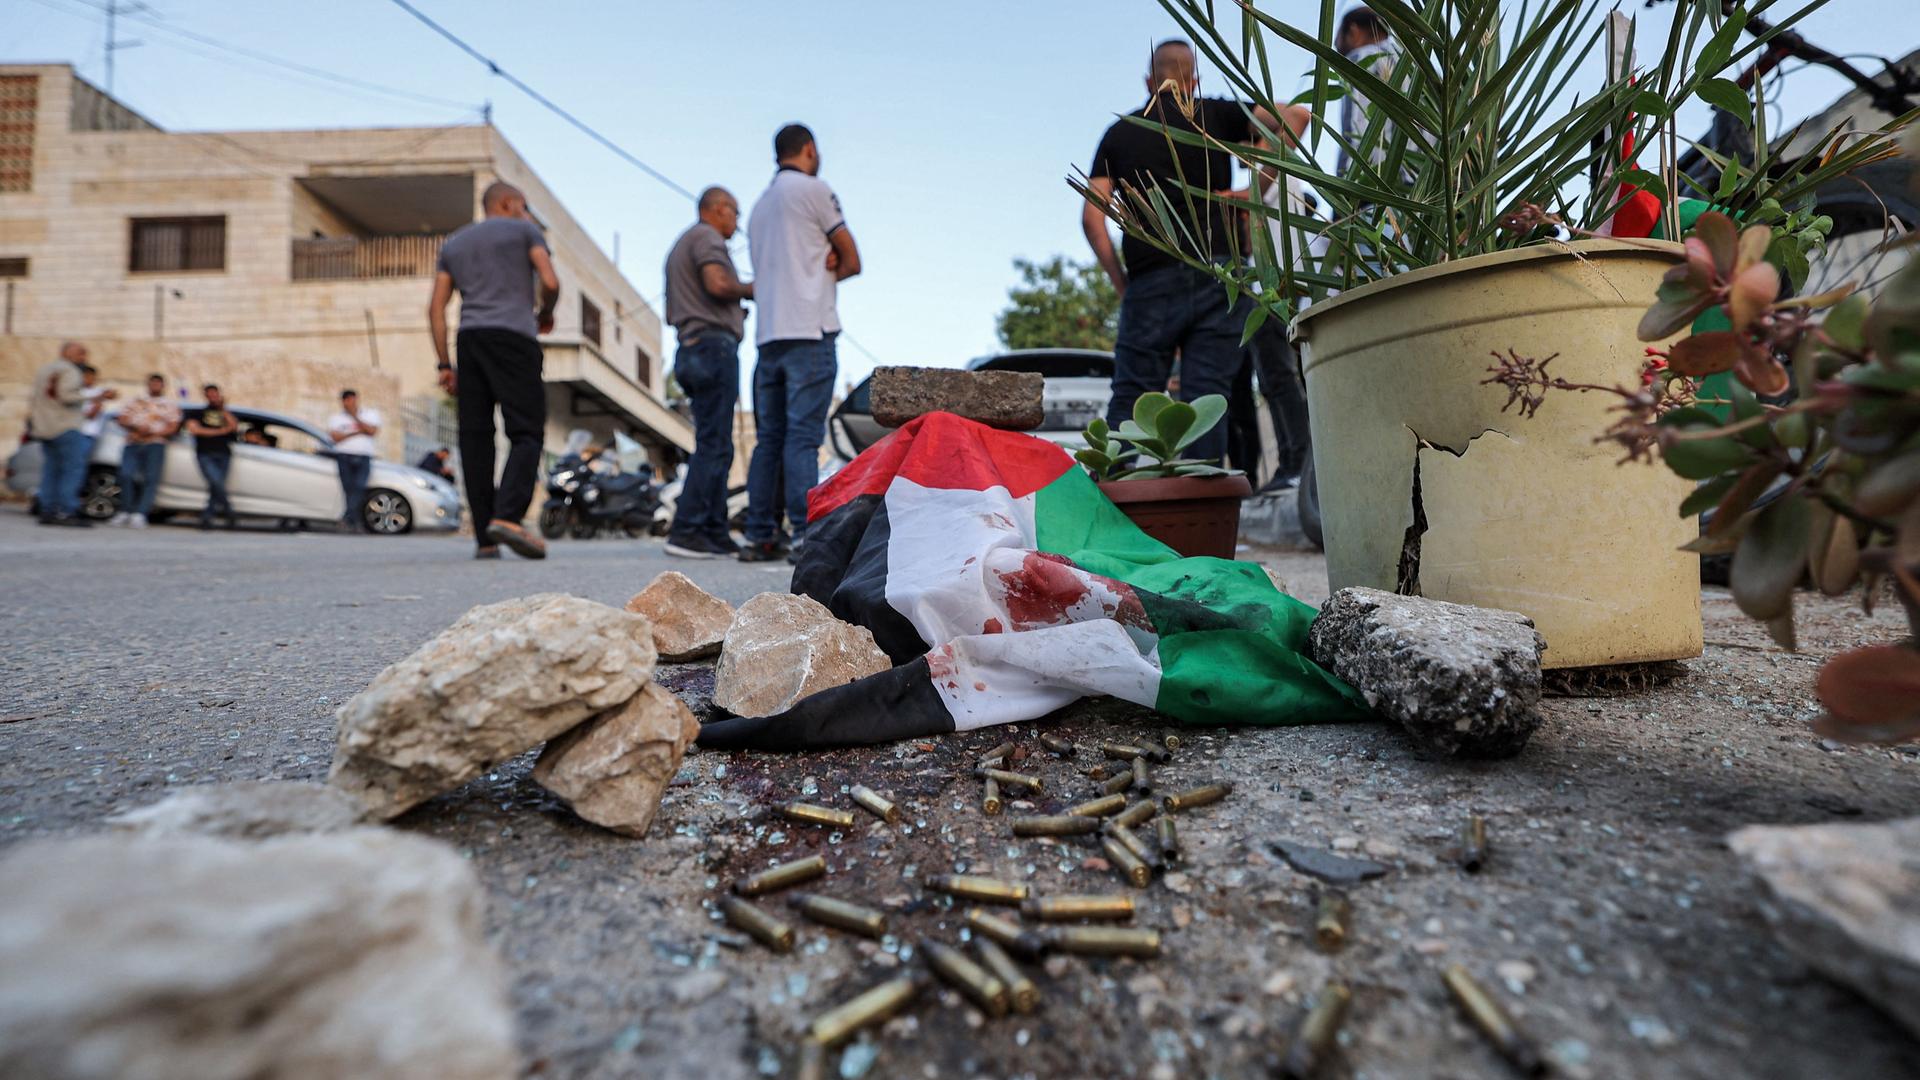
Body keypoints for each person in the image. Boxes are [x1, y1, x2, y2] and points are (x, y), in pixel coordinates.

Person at [1084, 40, 1267, 464]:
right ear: (1193, 79)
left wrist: (1121, 283)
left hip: (1151, 277)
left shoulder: (1120, 132)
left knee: (1132, 396)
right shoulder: (1220, 114)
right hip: (1220, 274)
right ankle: (1201, 518)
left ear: (1150, 80)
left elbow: (1093, 219)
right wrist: (1253, 189)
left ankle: (1114, 509)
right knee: (1206, 401)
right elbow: (1295, 118)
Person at [741, 124, 861, 563]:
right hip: (809, 331)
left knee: (768, 439)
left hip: (768, 338)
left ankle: (758, 534)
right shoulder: (814, 190)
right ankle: (801, 536)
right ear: (809, 149)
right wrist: (831, 264)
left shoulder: (758, 208)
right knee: (802, 440)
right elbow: (853, 258)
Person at [429, 180, 560, 561]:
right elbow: (549, 280)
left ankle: (485, 539)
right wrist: (546, 312)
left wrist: (444, 364)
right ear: (509, 202)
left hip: (470, 341)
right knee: (526, 431)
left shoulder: (454, 244)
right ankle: (507, 517)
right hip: (514, 338)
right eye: (523, 205)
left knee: (475, 437)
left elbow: (436, 308)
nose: (525, 211)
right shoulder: (525, 230)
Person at [662, 186, 752, 559]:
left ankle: (713, 532)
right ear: (717, 209)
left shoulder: (684, 243)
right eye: (735, 212)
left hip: (693, 346)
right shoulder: (706, 237)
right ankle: (687, 530)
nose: (737, 222)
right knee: (714, 445)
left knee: (718, 444)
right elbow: (718, 284)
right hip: (712, 348)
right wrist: (752, 289)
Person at [29, 341, 93, 527]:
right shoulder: (71, 371)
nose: (84, 358)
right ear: (69, 353)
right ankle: (66, 509)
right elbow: (66, 396)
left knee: (51, 469)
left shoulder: (45, 370)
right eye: (81, 353)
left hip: (45, 426)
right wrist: (91, 395)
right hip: (66, 426)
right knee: (72, 469)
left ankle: (48, 509)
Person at [1336, 6, 1403, 177]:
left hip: (1378, 187)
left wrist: (1347, 183)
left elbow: (1357, 128)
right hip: (1428, 186)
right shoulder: (1412, 63)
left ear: (1353, 30)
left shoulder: (1361, 60)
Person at [109, 372, 182, 528]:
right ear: (147, 384)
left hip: (155, 443)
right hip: (133, 442)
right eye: (152, 383)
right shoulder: (135, 401)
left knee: (150, 479)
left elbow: (173, 427)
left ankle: (140, 513)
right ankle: (125, 511)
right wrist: (136, 428)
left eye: (158, 383)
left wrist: (152, 433)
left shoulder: (170, 405)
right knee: (126, 475)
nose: (155, 386)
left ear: (163, 386)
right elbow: (121, 418)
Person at [327, 389, 381, 533]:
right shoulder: (336, 418)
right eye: (346, 400)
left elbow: (372, 431)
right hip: (344, 456)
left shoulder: (370, 414)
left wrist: (355, 417)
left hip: (363, 457)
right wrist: (357, 432)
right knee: (349, 490)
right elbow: (335, 438)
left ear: (356, 399)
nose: (349, 403)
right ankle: (355, 522)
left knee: (359, 487)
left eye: (351, 399)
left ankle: (347, 519)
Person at [186, 383, 239, 530]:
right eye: (209, 394)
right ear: (205, 395)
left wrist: (222, 409)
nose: (213, 396)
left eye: (215, 393)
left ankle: (207, 518)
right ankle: (229, 512)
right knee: (216, 483)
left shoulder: (225, 413)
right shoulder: (197, 413)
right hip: (205, 453)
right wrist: (222, 431)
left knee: (216, 486)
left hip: (223, 453)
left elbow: (234, 426)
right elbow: (195, 430)